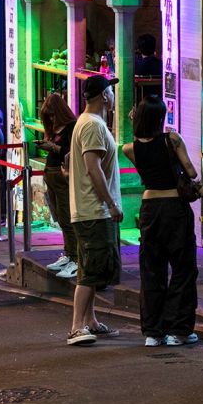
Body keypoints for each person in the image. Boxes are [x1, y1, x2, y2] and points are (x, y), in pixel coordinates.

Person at [123, 95, 200, 347]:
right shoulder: (172, 139)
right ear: (161, 117)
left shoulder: (130, 148)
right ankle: (179, 329)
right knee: (182, 268)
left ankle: (153, 333)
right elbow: (191, 171)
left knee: (152, 270)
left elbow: (146, 162)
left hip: (149, 209)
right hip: (174, 207)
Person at [65, 75, 123, 346]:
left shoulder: (88, 123)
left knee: (94, 266)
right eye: (110, 90)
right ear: (103, 96)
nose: (113, 94)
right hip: (94, 210)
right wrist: (110, 203)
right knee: (90, 269)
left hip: (91, 209)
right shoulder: (92, 125)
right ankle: (77, 326)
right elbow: (93, 167)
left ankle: (91, 321)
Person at [38, 93, 78, 280]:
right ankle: (68, 254)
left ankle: (75, 259)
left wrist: (52, 147)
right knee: (61, 219)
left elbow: (71, 153)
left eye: (54, 115)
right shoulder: (53, 128)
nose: (52, 118)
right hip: (51, 175)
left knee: (67, 218)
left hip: (62, 176)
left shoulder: (71, 127)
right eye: (49, 116)